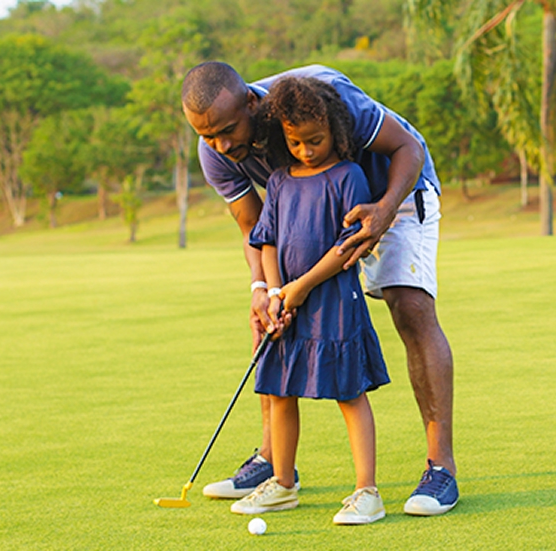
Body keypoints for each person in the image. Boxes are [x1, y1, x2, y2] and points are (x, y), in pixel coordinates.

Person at [182, 61, 459, 516]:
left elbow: (407, 146)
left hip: (393, 190)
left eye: (228, 130)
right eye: (208, 136)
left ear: (253, 103)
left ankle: (440, 468)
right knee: (274, 325)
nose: (221, 145)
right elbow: (255, 224)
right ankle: (275, 465)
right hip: (314, 212)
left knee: (409, 307)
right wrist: (263, 289)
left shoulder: (324, 97)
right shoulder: (214, 150)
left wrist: (384, 210)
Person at [228, 77, 389, 525]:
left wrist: (299, 288)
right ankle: (282, 484)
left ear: (336, 131)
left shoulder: (348, 176)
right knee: (279, 392)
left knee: (349, 394)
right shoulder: (279, 182)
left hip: (334, 302)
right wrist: (277, 292)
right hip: (289, 308)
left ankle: (367, 491)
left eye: (315, 140)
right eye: (295, 142)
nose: (305, 151)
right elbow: (267, 241)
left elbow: (346, 248)